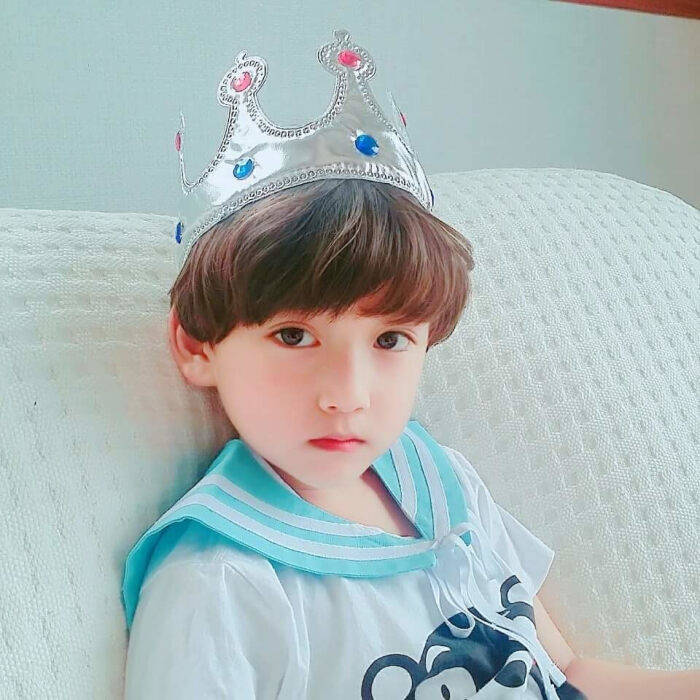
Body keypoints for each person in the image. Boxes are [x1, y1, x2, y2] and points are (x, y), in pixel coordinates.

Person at [121, 28, 699, 700]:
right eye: (293, 336)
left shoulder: (443, 482)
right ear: (198, 344)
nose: (348, 394)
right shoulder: (218, 581)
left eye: (390, 340)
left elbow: (569, 674)